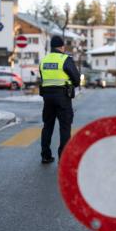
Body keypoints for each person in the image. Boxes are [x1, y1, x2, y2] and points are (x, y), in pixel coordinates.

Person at [39, 35, 80, 164]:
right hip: (63, 97)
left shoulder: (44, 60)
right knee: (65, 127)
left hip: (47, 98)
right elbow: (77, 79)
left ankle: (45, 155)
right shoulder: (65, 59)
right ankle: (63, 157)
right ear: (62, 47)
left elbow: (43, 77)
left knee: (47, 126)